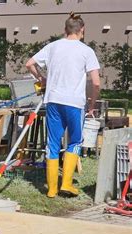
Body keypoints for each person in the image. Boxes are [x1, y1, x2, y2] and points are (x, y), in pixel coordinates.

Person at [25, 12, 101, 198]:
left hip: (53, 100)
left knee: (52, 142)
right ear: (81, 30)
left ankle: (51, 189)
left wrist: (41, 78)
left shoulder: (53, 47)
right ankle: (66, 184)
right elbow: (96, 83)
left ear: (65, 30)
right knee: (74, 141)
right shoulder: (86, 51)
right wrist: (91, 105)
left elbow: (29, 64)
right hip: (74, 103)